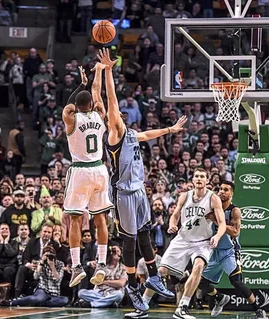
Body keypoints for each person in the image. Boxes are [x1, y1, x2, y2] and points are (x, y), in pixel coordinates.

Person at [98, 48, 186, 312]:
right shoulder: (114, 134)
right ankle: (133, 288)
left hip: (139, 191)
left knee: (145, 233)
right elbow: (111, 101)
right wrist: (108, 71)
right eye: (116, 117)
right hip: (123, 193)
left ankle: (154, 276)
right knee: (130, 240)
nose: (119, 117)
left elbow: (148, 134)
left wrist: (170, 129)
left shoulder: (132, 133)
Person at [136, 168, 226, 319]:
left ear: (207, 180)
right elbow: (175, 214)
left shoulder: (213, 198)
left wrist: (217, 236)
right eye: (196, 176)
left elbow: (222, 223)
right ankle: (142, 306)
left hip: (202, 242)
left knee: (198, 266)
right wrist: (172, 224)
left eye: (202, 177)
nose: (199, 179)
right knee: (161, 271)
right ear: (192, 180)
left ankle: (183, 307)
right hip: (183, 239)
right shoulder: (185, 196)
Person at [62, 63, 114, 288]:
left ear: (77, 106)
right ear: (91, 105)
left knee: (75, 218)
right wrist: (100, 71)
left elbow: (67, 106)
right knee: (100, 218)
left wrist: (80, 83)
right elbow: (97, 91)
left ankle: (76, 267)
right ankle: (101, 263)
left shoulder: (71, 118)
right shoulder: (100, 114)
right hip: (100, 170)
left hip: (81, 170)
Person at [198, 181, 268, 319]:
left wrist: (217, 220)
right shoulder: (211, 208)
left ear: (232, 193)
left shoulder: (234, 210)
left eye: (226, 189)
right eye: (220, 189)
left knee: (236, 281)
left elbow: (235, 232)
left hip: (229, 251)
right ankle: (220, 298)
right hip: (214, 251)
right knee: (200, 282)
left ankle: (259, 310)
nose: (222, 191)